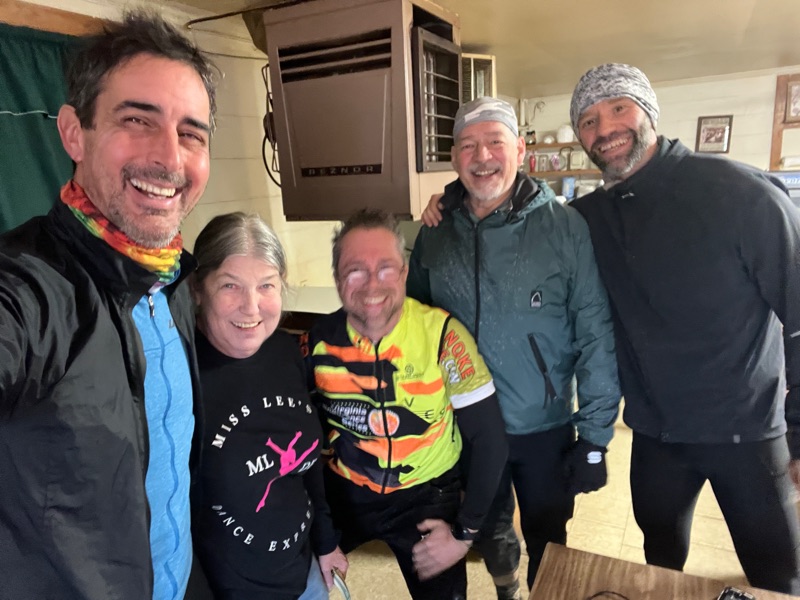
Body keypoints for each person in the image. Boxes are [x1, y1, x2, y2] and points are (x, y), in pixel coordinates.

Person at [0, 11, 217, 600]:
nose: (170, 158)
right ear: (74, 133)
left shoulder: (174, 279)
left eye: (191, 134)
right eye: (137, 120)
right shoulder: (33, 286)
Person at [565, 62, 800, 594]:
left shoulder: (741, 193)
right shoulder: (587, 219)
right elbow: (523, 223)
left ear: (649, 112)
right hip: (657, 435)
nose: (604, 129)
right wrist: (453, 199)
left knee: (776, 576)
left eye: (618, 108)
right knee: (660, 563)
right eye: (588, 120)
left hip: (748, 431)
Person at [410, 96, 621, 598]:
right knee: (486, 526)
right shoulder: (436, 231)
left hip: (542, 426)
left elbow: (594, 331)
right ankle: (506, 589)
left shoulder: (563, 227)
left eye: (494, 142)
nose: (482, 157)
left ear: (521, 150)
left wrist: (595, 435)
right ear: (454, 158)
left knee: (549, 537)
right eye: (468, 146)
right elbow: (415, 324)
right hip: (464, 426)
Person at [304, 208, 509, 600]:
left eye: (385, 268)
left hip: (425, 495)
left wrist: (463, 535)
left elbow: (490, 441)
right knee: (296, 576)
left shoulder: (443, 335)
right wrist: (319, 536)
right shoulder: (318, 339)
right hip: (347, 488)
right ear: (337, 278)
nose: (372, 284)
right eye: (355, 270)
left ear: (404, 272)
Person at [190, 212, 348, 600]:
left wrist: (326, 541)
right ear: (198, 289)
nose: (251, 307)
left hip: (305, 576)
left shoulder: (284, 351)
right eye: (230, 285)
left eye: (266, 285)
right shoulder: (184, 374)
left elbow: (306, 463)